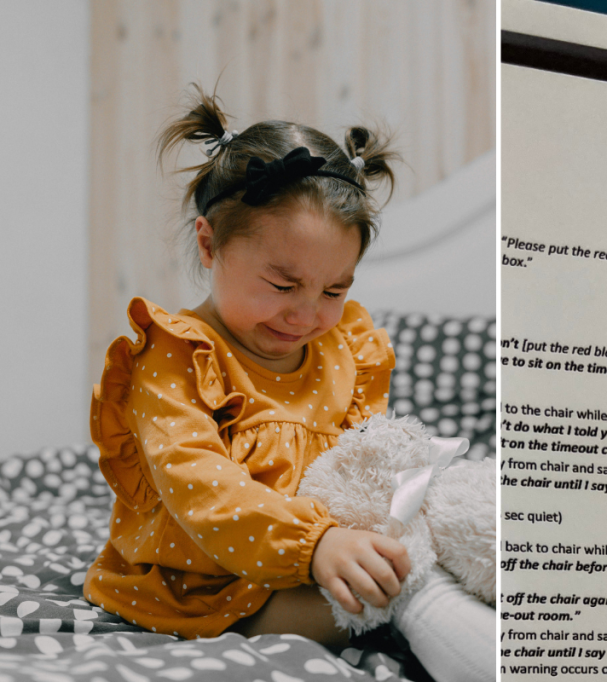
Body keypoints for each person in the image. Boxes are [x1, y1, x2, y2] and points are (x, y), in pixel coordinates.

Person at [83, 82, 495, 681]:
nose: (307, 316)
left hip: (322, 550)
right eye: (282, 285)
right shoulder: (175, 357)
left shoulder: (342, 347)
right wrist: (317, 544)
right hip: (210, 586)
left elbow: (365, 464)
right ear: (209, 243)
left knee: (460, 527)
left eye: (335, 290)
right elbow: (204, 491)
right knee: (401, 580)